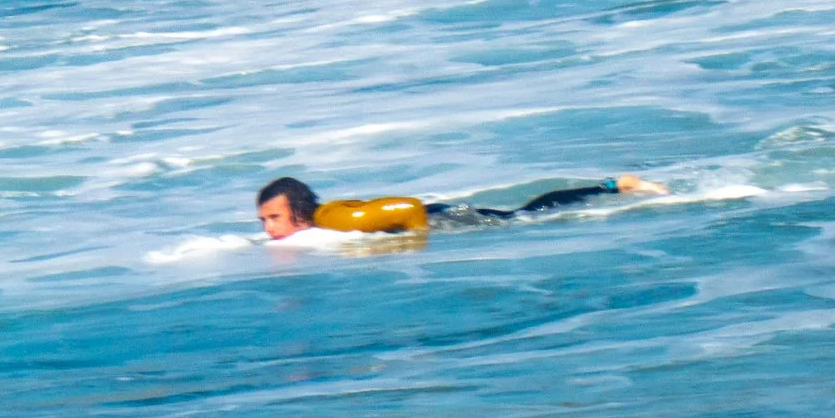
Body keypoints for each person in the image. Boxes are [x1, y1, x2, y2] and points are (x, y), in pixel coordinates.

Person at [255, 172, 667, 241]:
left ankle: (615, 185)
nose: (268, 228)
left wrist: (414, 242)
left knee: (528, 215)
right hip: (436, 214)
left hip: (444, 219)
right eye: (263, 221)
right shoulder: (322, 228)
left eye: (274, 218)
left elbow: (407, 206)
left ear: (298, 211)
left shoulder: (336, 221)